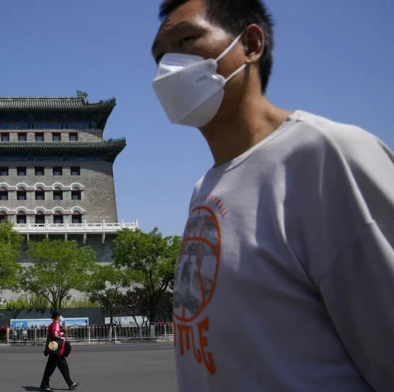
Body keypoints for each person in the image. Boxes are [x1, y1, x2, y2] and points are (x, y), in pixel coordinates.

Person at [150, 0, 394, 391]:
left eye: (186, 39)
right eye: (160, 56)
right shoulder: (204, 188)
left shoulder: (327, 155)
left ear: (251, 44)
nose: (168, 68)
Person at [39, 311, 79, 391]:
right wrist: (62, 332)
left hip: (57, 351)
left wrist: (63, 330)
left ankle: (70, 384)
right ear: (57, 316)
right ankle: (44, 385)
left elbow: (55, 335)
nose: (61, 317)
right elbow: (55, 335)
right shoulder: (55, 325)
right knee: (50, 369)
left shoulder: (56, 325)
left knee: (63, 367)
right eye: (60, 315)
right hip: (56, 352)